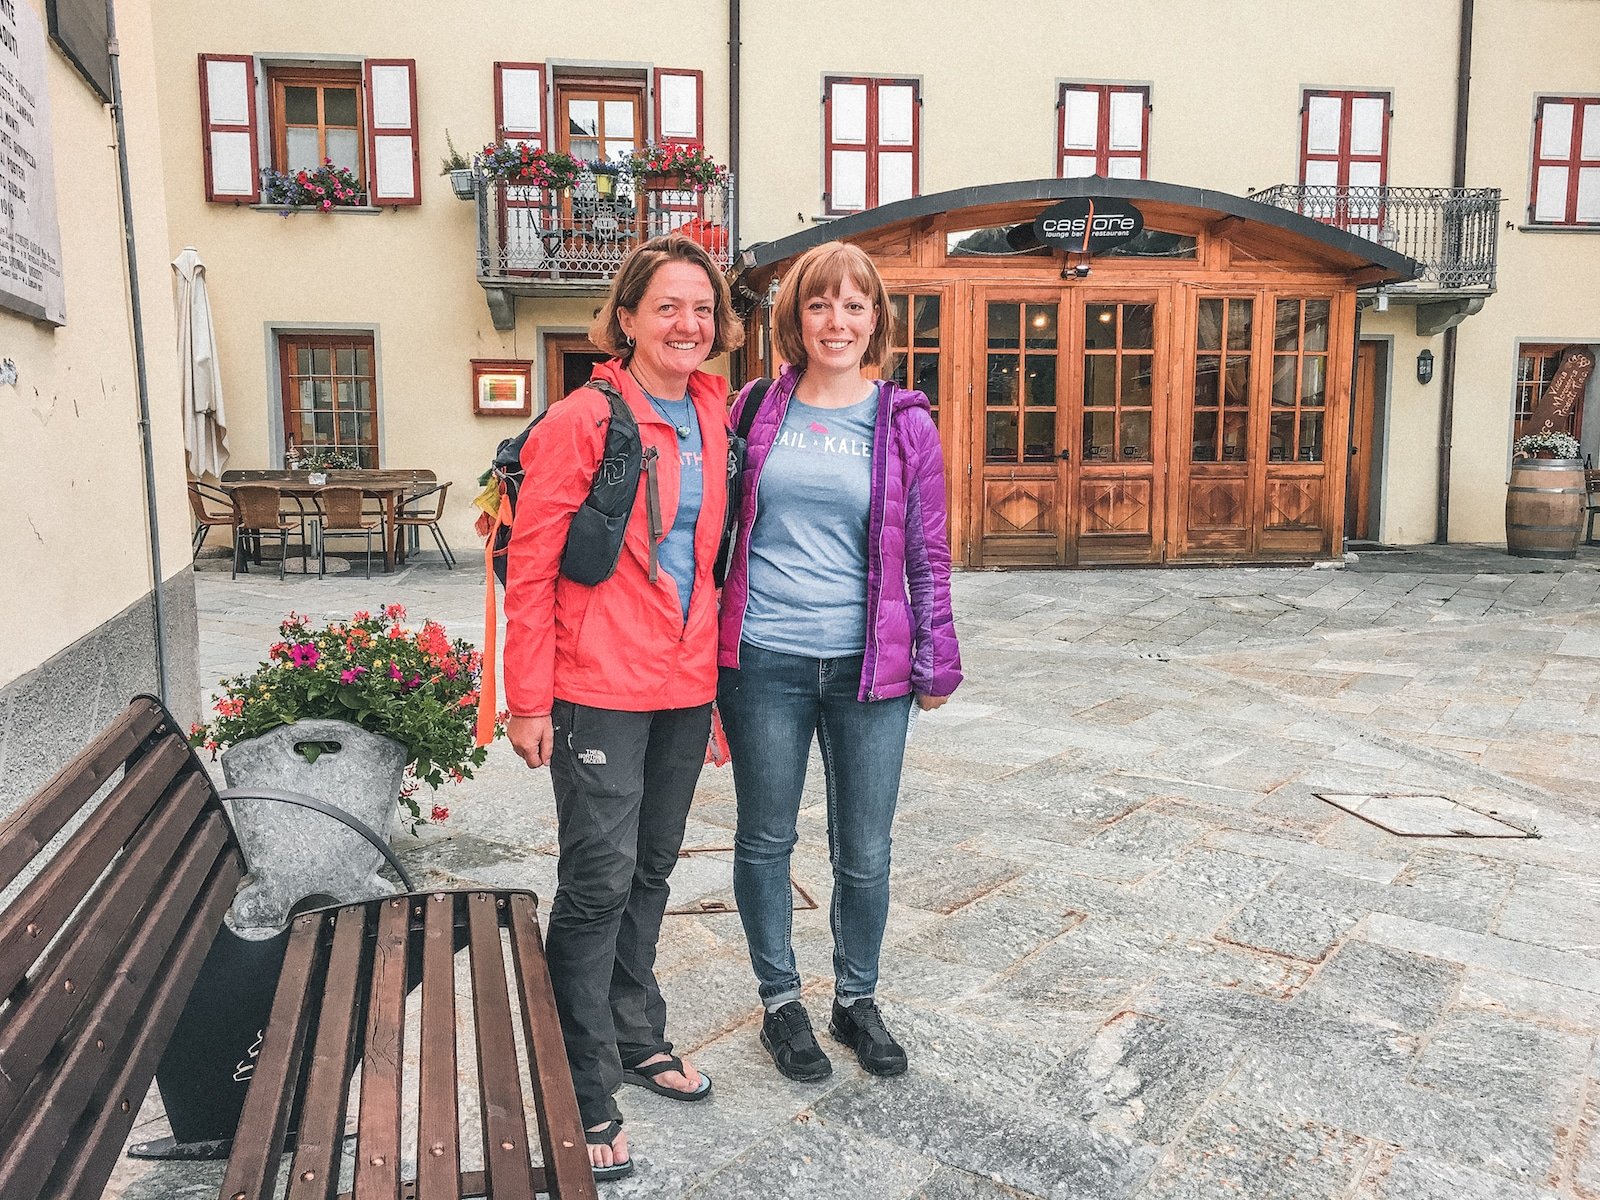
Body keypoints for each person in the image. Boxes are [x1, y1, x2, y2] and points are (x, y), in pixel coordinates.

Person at [503, 233, 742, 1181]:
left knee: (651, 870)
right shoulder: (582, 418)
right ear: (630, 318)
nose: (688, 324)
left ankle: (636, 1033)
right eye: (669, 307)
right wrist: (527, 701)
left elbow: (712, 567)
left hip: (682, 687)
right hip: (594, 686)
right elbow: (529, 567)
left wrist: (714, 696)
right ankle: (583, 1078)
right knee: (598, 879)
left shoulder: (714, 413)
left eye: (703, 309)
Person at [717, 240, 963, 1083]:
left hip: (871, 670)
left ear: (877, 321)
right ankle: (781, 1004)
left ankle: (856, 1000)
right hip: (764, 661)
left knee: (864, 851)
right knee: (765, 839)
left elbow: (928, 552)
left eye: (855, 305)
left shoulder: (906, 423)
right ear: (796, 318)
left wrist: (937, 664)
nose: (838, 320)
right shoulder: (753, 409)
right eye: (821, 304)